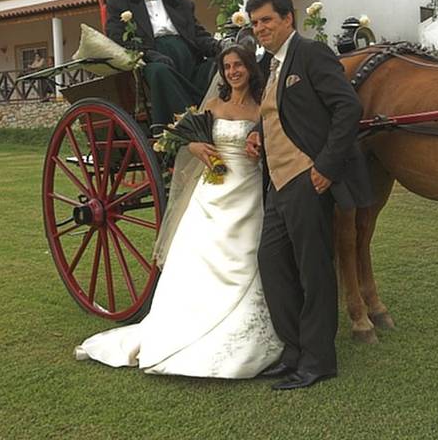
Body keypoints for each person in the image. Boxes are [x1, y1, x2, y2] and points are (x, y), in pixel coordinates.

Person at [75, 45, 283, 378]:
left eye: (238, 65)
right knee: (198, 252)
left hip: (248, 191)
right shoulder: (213, 105)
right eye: (227, 66)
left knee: (249, 254)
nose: (233, 71)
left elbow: (274, 144)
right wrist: (195, 146)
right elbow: (188, 140)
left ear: (249, 69)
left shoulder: (261, 109)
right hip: (212, 191)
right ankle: (186, 323)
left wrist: (258, 146)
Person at [245, 0, 372, 391]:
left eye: (266, 20)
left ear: (288, 18)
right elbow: (276, 111)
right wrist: (255, 134)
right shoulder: (270, 65)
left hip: (307, 176)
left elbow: (347, 108)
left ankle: (319, 361)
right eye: (254, 23)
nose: (260, 29)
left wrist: (326, 167)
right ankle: (294, 351)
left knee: (313, 269)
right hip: (277, 182)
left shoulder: (312, 54)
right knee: (271, 263)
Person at [105, 0, 219, 131]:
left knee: (220, 65)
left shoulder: (180, 3)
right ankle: (188, 126)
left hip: (188, 58)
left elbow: (199, 37)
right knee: (159, 71)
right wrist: (149, 55)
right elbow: (118, 39)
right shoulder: (119, 4)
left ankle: (217, 116)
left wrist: (220, 47)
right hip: (151, 60)